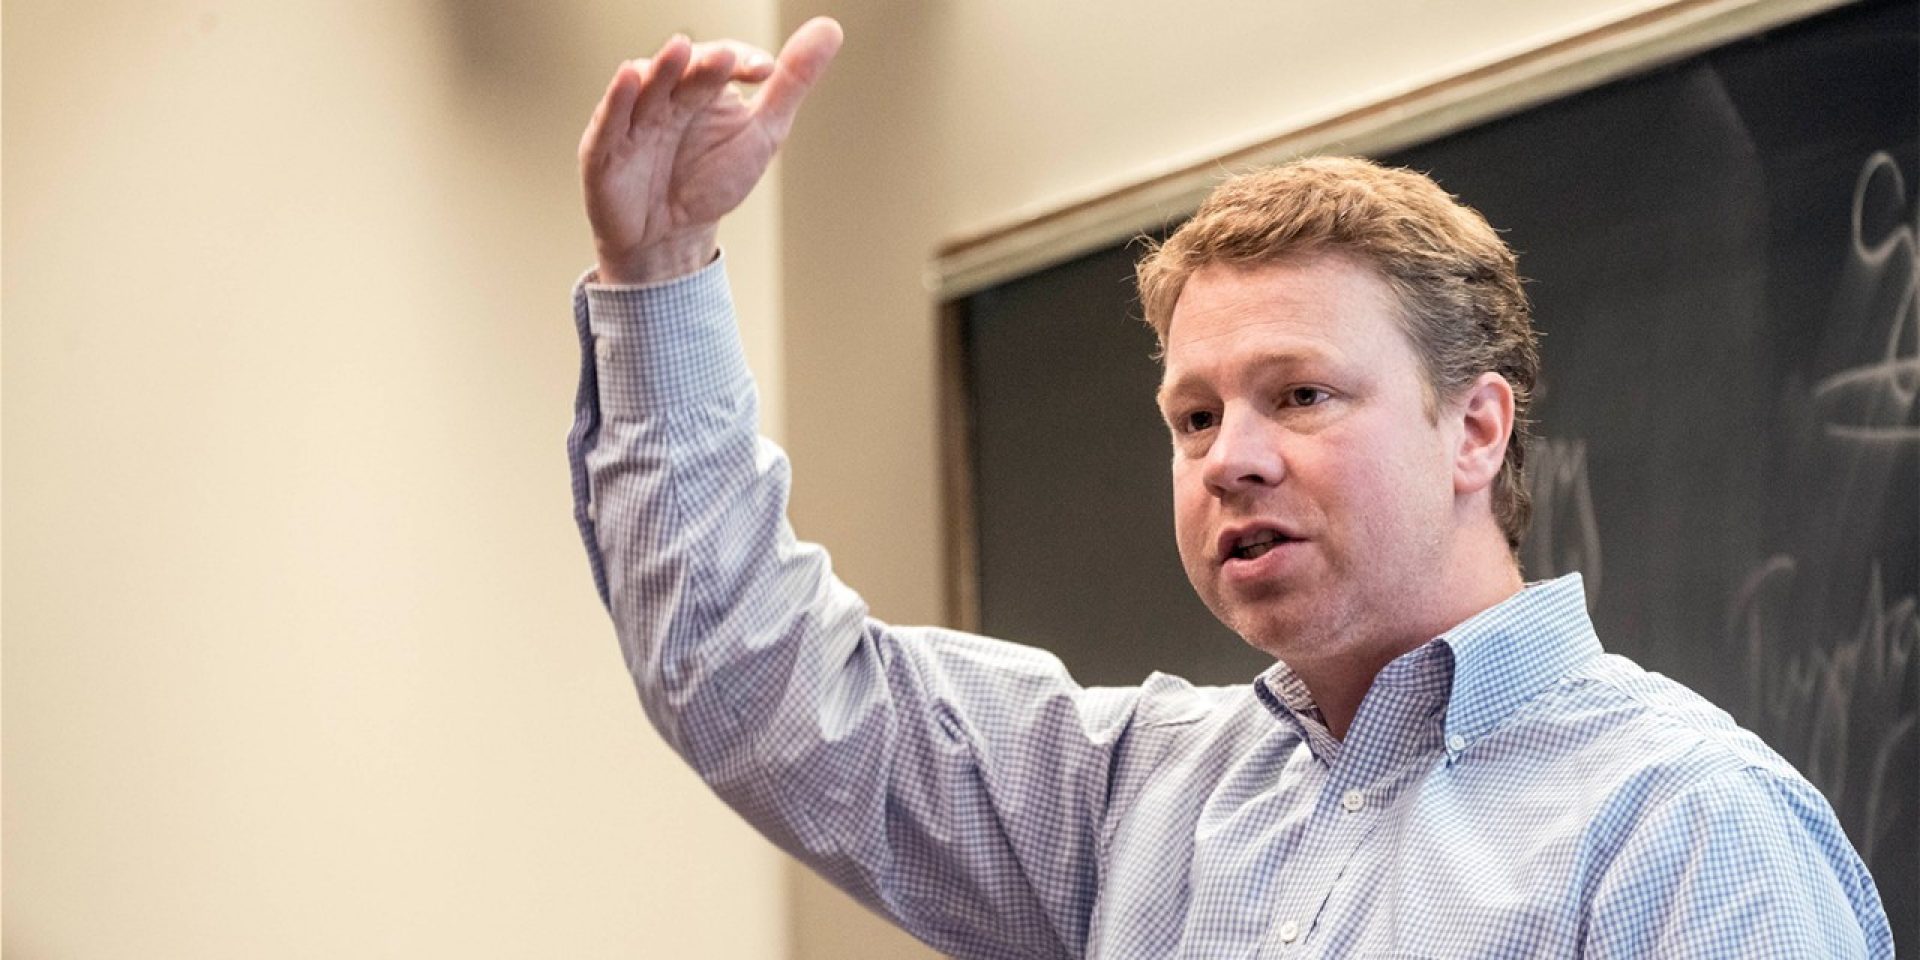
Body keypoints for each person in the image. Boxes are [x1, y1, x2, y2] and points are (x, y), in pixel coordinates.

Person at [567, 17, 1895, 959]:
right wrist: (663, 267)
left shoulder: (1684, 831)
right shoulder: (1132, 798)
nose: (1230, 456)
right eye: (1193, 415)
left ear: (1475, 429)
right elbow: (752, 681)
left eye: (1301, 395)